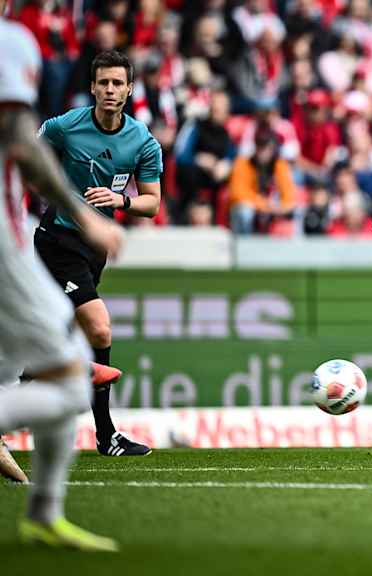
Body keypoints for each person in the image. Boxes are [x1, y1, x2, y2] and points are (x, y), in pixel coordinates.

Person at [0, 10, 120, 549]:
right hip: (5, 234)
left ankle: (44, 513)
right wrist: (84, 211)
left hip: (15, 230)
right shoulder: (11, 41)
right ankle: (44, 512)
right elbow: (22, 140)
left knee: (43, 370)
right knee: (71, 380)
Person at [33, 50, 163, 457]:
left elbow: (152, 203)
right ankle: (106, 435)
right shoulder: (63, 128)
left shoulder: (142, 141)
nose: (109, 90)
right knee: (100, 328)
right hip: (57, 239)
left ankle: (99, 432)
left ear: (129, 89)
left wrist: (119, 201)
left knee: (51, 336)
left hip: (95, 249)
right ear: (92, 87)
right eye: (103, 83)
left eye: (117, 83)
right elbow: (28, 159)